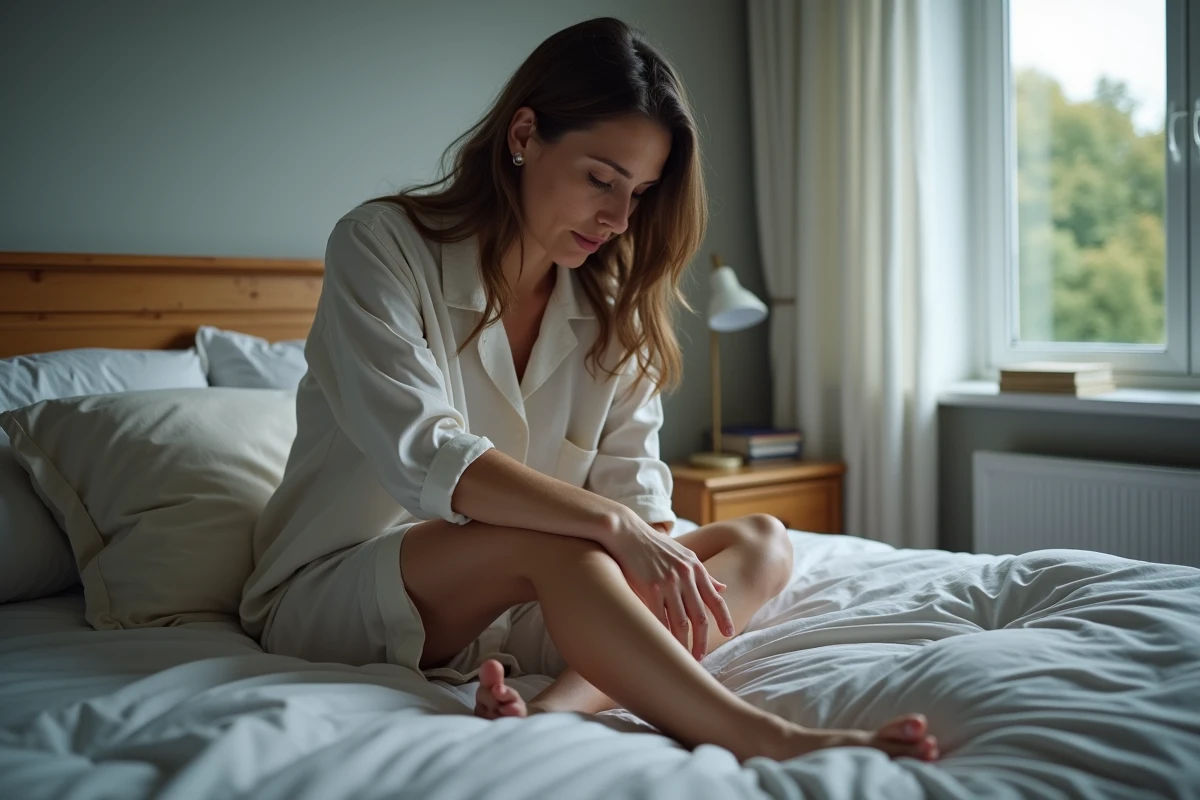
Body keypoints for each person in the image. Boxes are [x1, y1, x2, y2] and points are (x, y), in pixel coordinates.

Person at [240, 17, 938, 764]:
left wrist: (627, 534)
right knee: (567, 546)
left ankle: (554, 707)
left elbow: (638, 507)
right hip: (349, 589)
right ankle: (768, 737)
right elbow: (428, 457)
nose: (617, 218)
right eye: (600, 179)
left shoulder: (614, 305)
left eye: (638, 193)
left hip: (532, 601)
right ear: (524, 134)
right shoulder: (381, 247)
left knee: (760, 542)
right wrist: (609, 528)